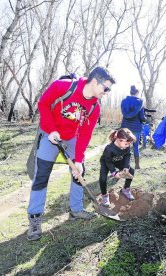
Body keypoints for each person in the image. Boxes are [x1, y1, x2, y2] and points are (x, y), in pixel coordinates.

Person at [27, 67, 115, 241]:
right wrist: (51, 130)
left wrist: (79, 160)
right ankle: (35, 218)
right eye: (106, 88)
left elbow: (85, 135)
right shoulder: (63, 86)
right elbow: (43, 104)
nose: (106, 92)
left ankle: (76, 210)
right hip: (49, 136)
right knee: (41, 176)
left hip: (71, 139)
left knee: (78, 173)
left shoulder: (94, 107)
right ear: (95, 82)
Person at [99, 128, 136, 207]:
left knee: (131, 171)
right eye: (126, 144)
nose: (128, 146)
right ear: (119, 140)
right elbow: (108, 161)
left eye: (129, 144)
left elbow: (127, 155)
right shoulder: (109, 149)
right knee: (102, 178)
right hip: (106, 162)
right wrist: (114, 172)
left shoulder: (126, 145)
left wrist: (126, 166)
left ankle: (125, 189)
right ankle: (105, 195)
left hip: (118, 160)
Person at [120, 85, 147, 169]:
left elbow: (124, 114)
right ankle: (137, 165)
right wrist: (145, 119)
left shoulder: (124, 101)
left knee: (124, 146)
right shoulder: (140, 103)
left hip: (125, 127)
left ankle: (124, 166)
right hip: (136, 128)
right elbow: (142, 117)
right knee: (135, 146)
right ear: (137, 93)